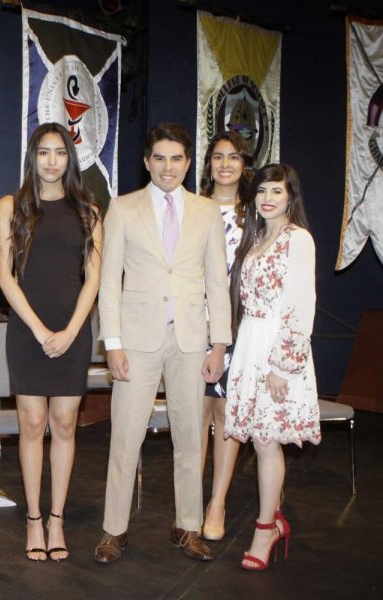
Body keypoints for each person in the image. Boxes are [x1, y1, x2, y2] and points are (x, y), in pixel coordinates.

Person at [95, 123, 231, 564]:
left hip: (192, 340)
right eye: (159, 158)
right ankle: (114, 529)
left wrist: (219, 345)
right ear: (147, 161)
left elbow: (217, 281)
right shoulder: (121, 208)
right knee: (125, 437)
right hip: (136, 340)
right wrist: (112, 342)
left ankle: (187, 526)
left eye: (176, 159)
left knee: (191, 438)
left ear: (188, 163)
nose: (168, 167)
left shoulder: (207, 211)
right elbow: (108, 280)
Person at [0, 123, 102, 562]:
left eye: (60, 152)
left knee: (63, 425)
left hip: (72, 331)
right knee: (33, 424)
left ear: (70, 160)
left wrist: (72, 331)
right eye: (44, 152)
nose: (52, 161)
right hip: (27, 330)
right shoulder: (11, 205)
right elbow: (4, 273)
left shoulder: (88, 210)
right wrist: (40, 331)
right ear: (33, 157)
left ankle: (57, 519)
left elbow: (94, 277)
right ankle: (34, 520)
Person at [225, 163, 320, 570]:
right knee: (260, 441)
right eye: (261, 191)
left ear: (290, 197)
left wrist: (284, 365)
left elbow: (302, 305)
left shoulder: (299, 240)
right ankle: (272, 520)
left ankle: (265, 527)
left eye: (276, 192)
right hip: (250, 344)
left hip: (278, 349)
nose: (267, 198)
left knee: (266, 440)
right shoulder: (257, 238)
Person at [196, 131, 252, 541]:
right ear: (208, 163)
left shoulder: (255, 213)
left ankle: (217, 503)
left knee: (226, 416)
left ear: (244, 165)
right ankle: (190, 502)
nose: (226, 164)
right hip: (192, 323)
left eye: (234, 157)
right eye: (218, 157)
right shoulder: (193, 208)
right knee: (196, 414)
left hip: (240, 326)